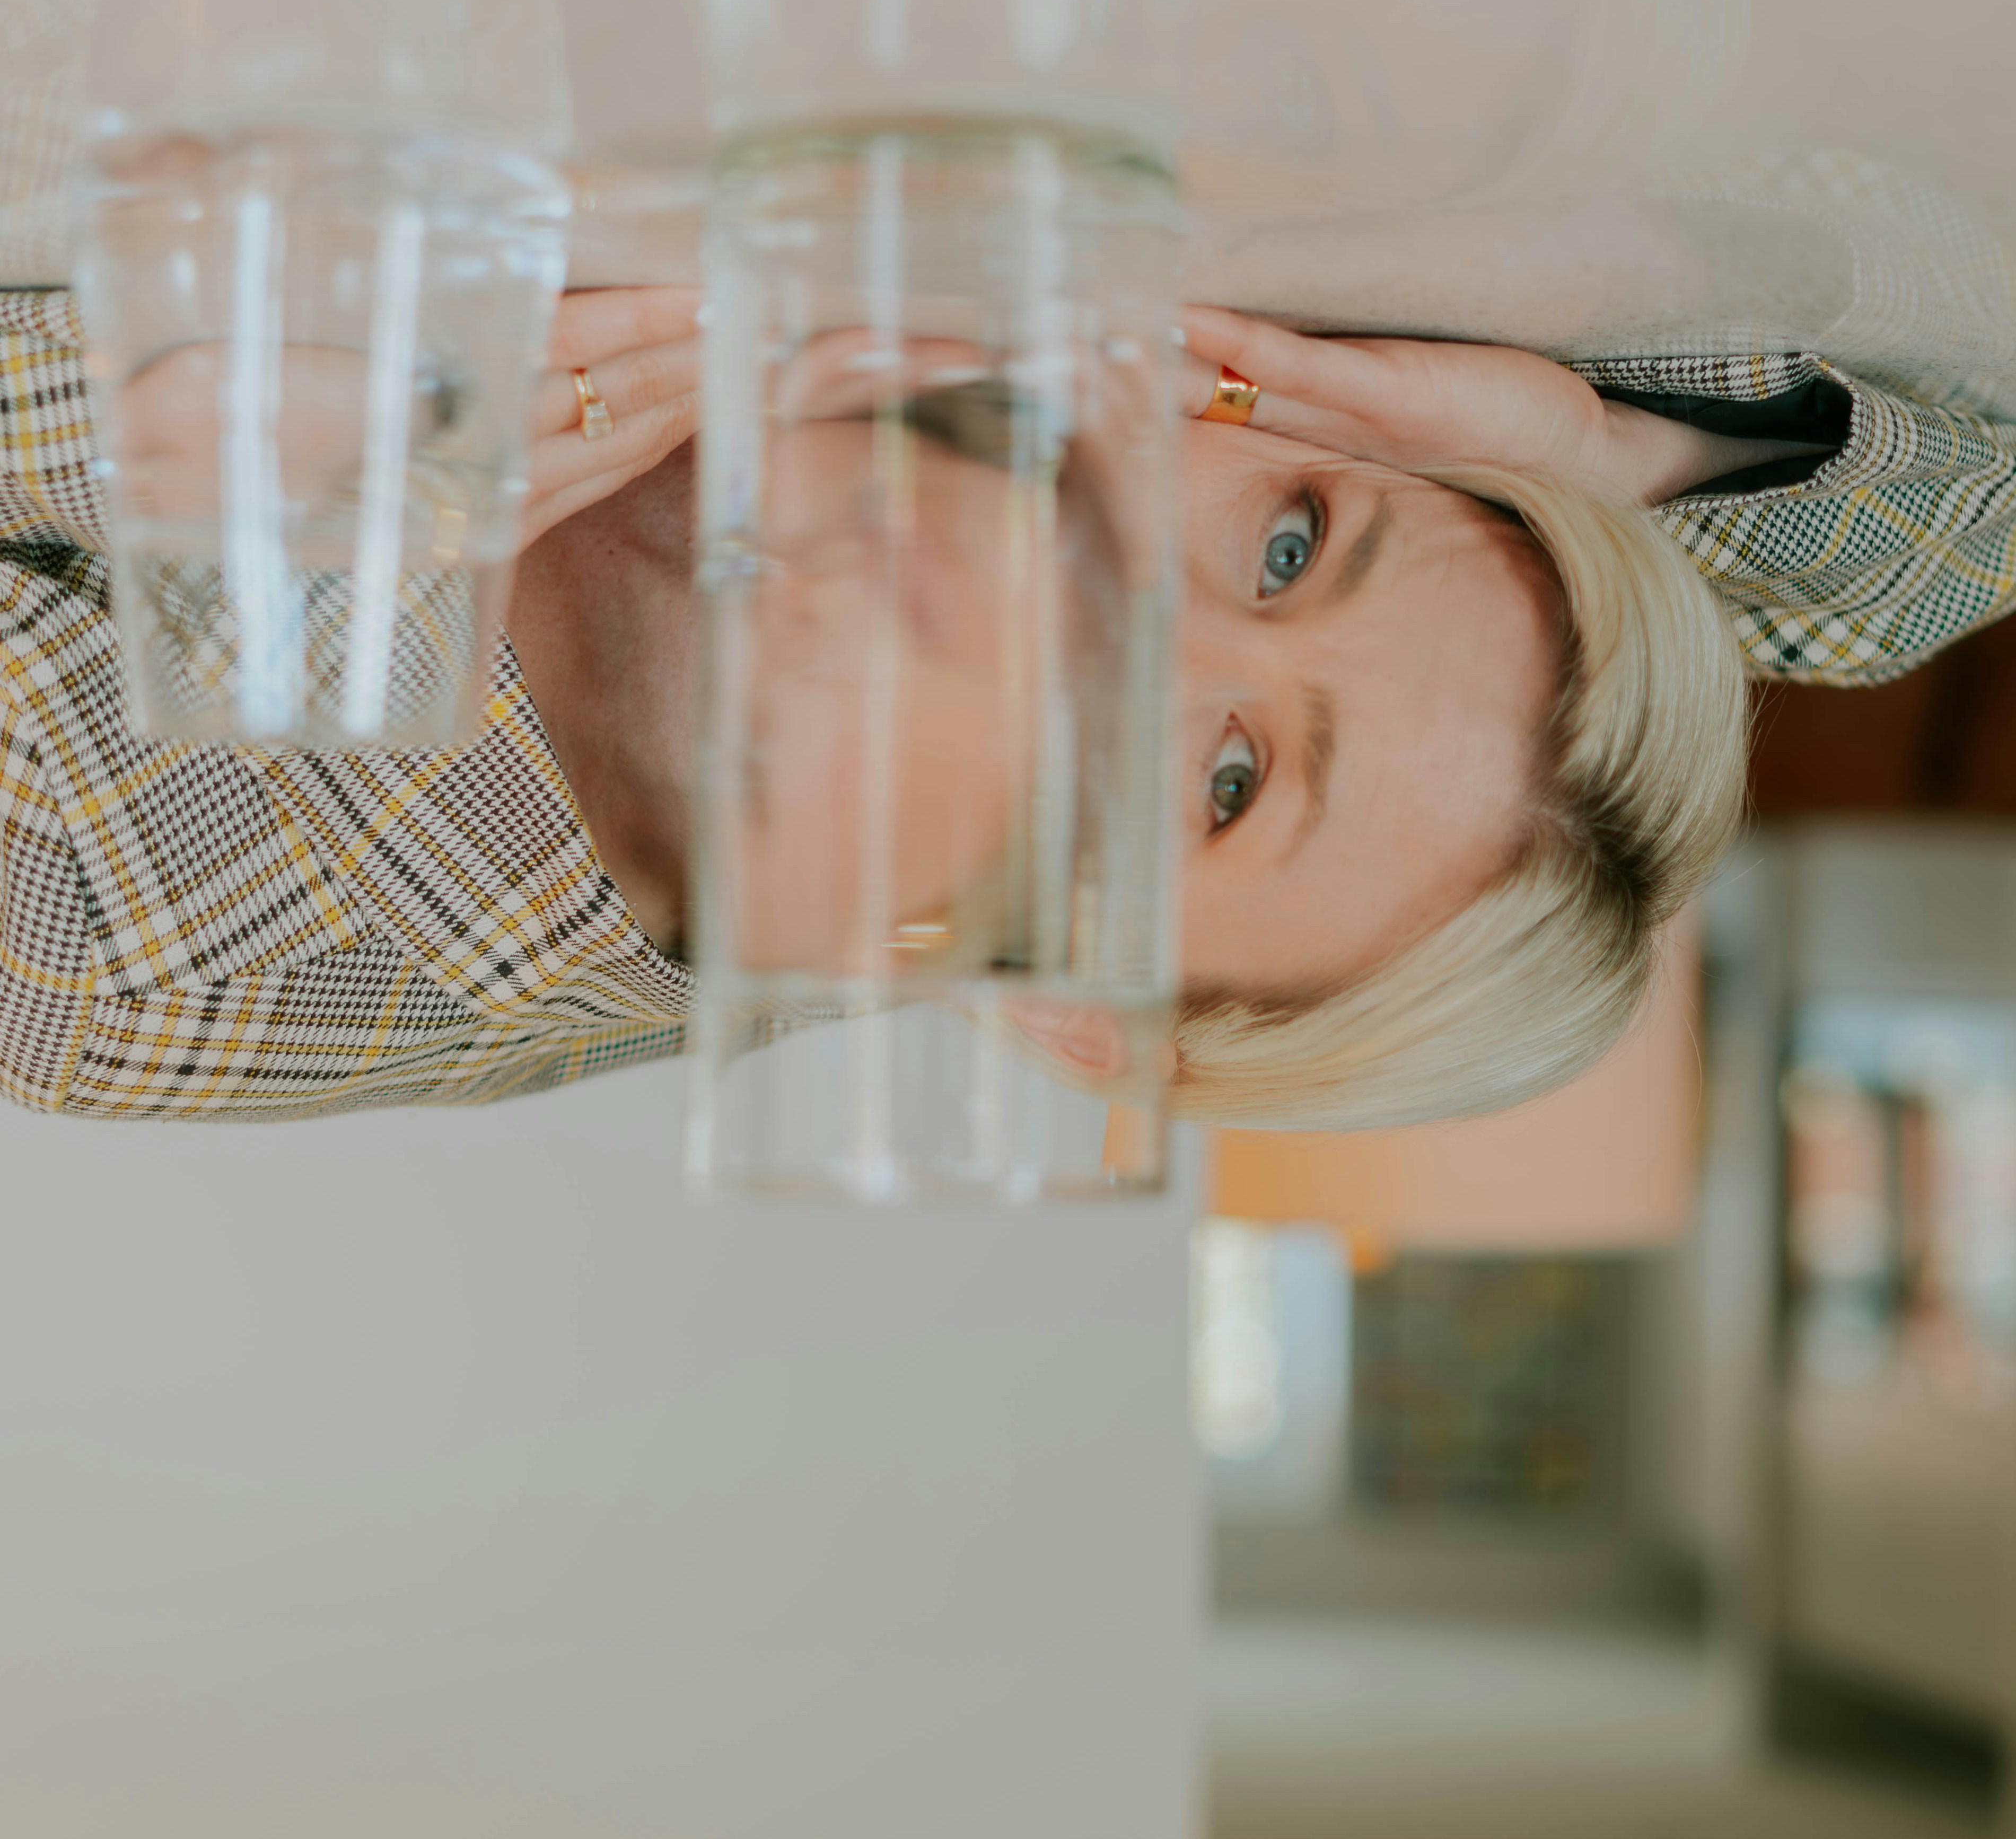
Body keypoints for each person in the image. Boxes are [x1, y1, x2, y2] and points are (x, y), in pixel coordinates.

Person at [4, 275, 2013, 1129]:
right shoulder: (1098, 284)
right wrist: (1627, 454)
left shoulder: (158, 959)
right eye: (1294, 549)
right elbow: (1969, 521)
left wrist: (174, 447)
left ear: (1069, 1003)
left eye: (1226, 784)